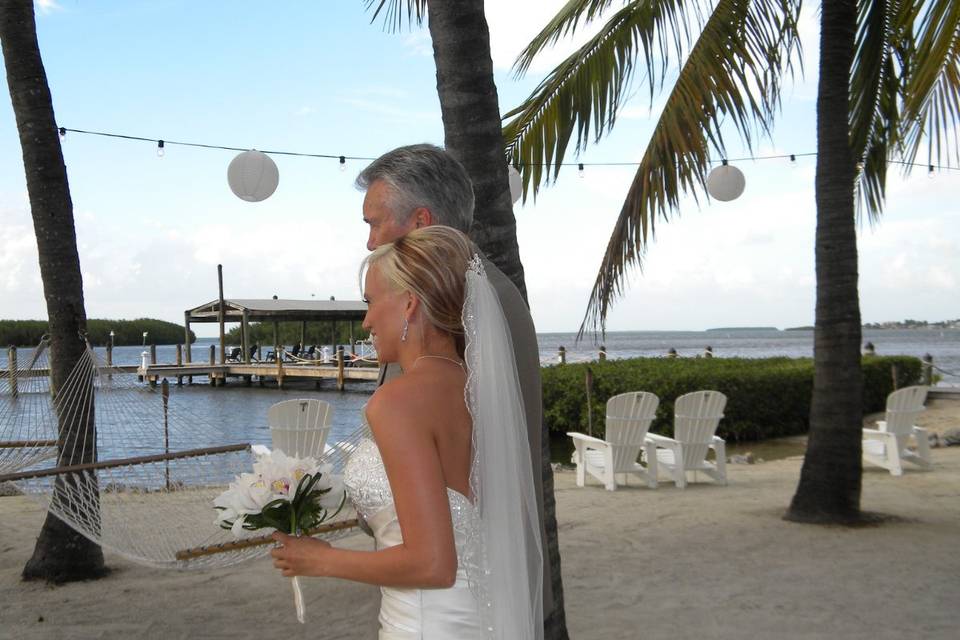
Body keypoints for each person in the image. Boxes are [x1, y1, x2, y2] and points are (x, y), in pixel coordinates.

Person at [271, 227, 543, 639]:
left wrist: (320, 559)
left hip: (426, 623)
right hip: (473, 614)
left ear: (410, 304)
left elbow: (433, 563)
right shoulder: (471, 388)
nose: (365, 320)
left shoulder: (398, 401)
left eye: (370, 301)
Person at [353, 143, 554, 619]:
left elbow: (453, 447)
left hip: (457, 586)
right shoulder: (478, 293)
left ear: (420, 222)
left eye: (374, 222)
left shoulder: (455, 310)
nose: (369, 240)